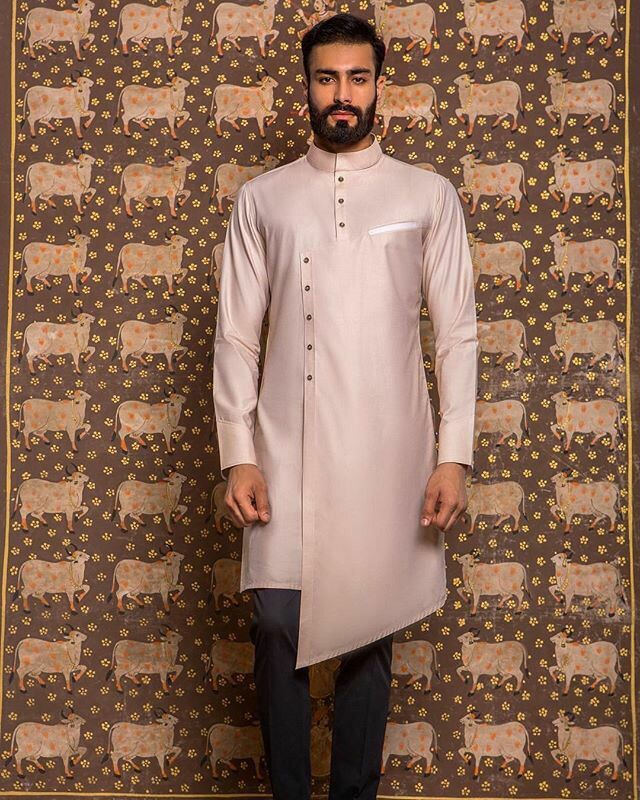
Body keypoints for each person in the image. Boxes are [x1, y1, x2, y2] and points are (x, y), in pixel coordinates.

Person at [212, 12, 479, 799]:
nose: (342, 93)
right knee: (276, 623)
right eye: (327, 78)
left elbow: (457, 334)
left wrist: (454, 458)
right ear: (306, 86)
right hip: (283, 452)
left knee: (369, 635)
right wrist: (238, 455)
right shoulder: (263, 199)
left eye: (357, 78)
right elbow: (236, 336)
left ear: (378, 85)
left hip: (385, 453)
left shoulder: (427, 195)